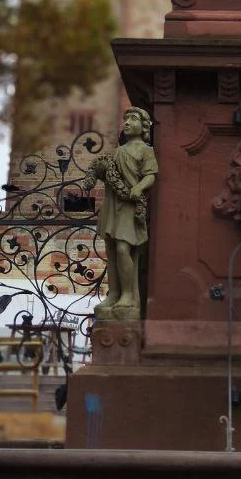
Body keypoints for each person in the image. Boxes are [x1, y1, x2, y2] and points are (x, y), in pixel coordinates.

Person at [83, 106, 158, 321]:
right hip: (113, 205)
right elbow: (110, 175)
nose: (127, 123)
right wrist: (97, 172)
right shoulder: (118, 151)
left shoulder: (145, 150)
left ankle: (129, 295)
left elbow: (151, 175)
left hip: (130, 206)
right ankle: (114, 293)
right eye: (125, 119)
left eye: (133, 119)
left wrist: (140, 187)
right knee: (112, 251)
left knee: (125, 249)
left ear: (144, 126)